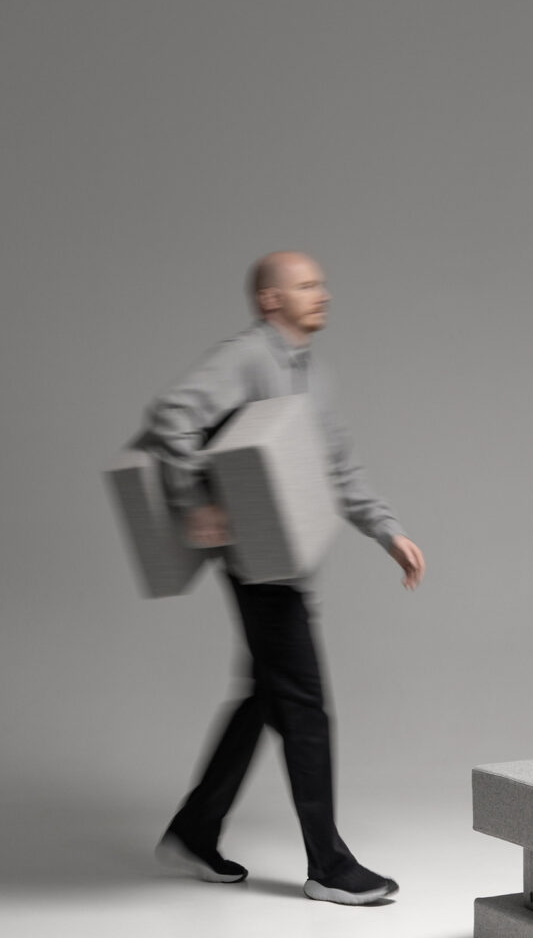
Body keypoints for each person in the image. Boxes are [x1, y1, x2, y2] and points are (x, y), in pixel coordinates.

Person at [146, 250, 425, 904]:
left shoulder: (314, 375)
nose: (322, 292)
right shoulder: (245, 357)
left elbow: (338, 467)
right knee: (303, 704)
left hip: (287, 561)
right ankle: (327, 863)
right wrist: (195, 502)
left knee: (266, 697)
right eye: (306, 284)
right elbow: (172, 415)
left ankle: (193, 829)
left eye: (322, 282)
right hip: (256, 562)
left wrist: (389, 531)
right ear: (271, 300)